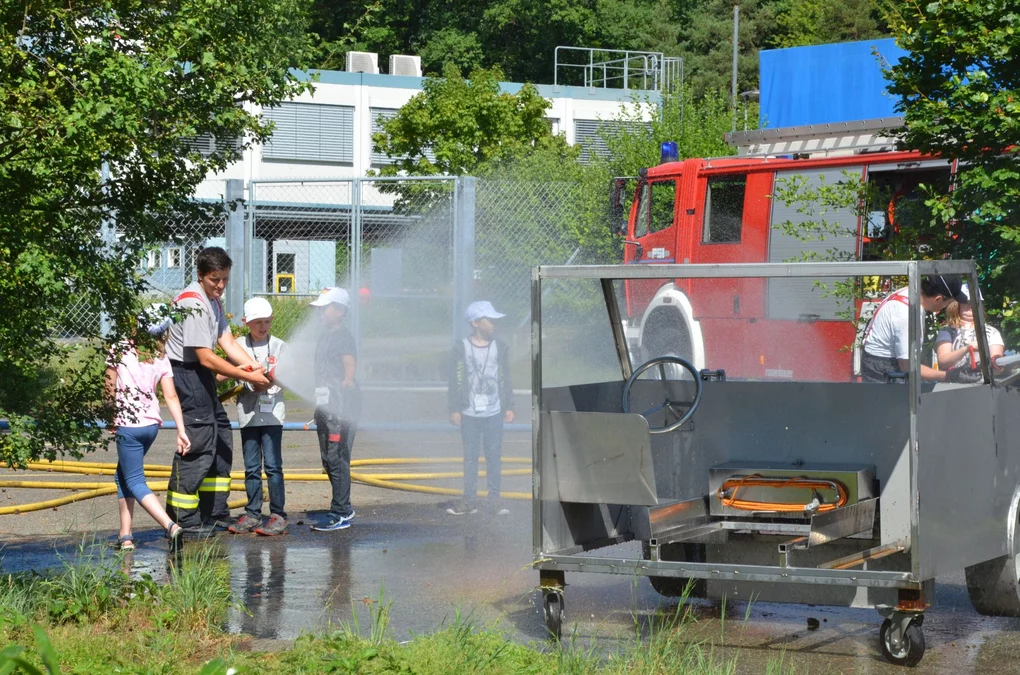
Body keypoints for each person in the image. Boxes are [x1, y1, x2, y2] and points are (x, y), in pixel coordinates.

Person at [165, 247, 270, 537]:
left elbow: (228, 343)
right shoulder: (195, 304)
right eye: (215, 280)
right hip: (187, 374)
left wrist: (255, 368)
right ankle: (183, 520)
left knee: (221, 434)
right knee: (198, 441)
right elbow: (205, 357)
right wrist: (243, 374)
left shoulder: (213, 302)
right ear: (200, 275)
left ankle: (214, 512)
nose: (221, 286)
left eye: (225, 279)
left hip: (200, 376)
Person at [106, 304, 188, 550]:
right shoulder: (160, 356)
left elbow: (109, 387)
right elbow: (171, 397)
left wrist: (111, 415)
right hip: (151, 425)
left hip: (128, 425)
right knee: (123, 476)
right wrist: (181, 430)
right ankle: (126, 535)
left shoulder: (119, 348)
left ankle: (170, 526)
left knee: (134, 480)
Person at [447, 300, 515, 516]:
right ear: (475, 322)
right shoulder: (462, 347)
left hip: (493, 411)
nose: (495, 323)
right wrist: (454, 408)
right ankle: (469, 499)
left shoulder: (499, 347)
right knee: (470, 456)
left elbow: (505, 377)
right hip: (469, 412)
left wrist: (508, 405)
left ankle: (494, 499)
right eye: (490, 319)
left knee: (494, 455)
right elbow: (455, 380)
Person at [229, 297, 288, 536]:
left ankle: (278, 515)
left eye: (266, 321)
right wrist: (248, 383)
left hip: (272, 415)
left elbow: (290, 374)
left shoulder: (280, 346)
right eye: (257, 322)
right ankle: (253, 513)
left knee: (273, 466)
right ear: (246, 322)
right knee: (251, 467)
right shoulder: (237, 345)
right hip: (248, 414)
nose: (263, 327)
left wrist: (274, 377)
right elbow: (229, 372)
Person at [309, 287, 361, 532]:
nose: (319, 312)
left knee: (337, 457)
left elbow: (349, 362)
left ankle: (340, 513)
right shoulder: (325, 336)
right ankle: (345, 505)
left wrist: (348, 380)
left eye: (324, 307)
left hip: (341, 406)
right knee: (328, 459)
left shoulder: (343, 336)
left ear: (340, 311)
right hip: (326, 405)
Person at [861, 274, 969, 383]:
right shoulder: (906, 315)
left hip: (888, 363)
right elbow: (908, 367)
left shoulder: (911, 292)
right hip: (882, 371)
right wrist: (948, 376)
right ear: (938, 299)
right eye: (948, 303)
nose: (946, 307)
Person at [935, 284, 1005, 382]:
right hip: (951, 388)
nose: (970, 306)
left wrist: (998, 365)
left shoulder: (992, 332)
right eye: (966, 302)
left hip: (983, 388)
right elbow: (943, 362)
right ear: (956, 305)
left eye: (975, 302)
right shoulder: (946, 331)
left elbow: (996, 367)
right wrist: (967, 349)